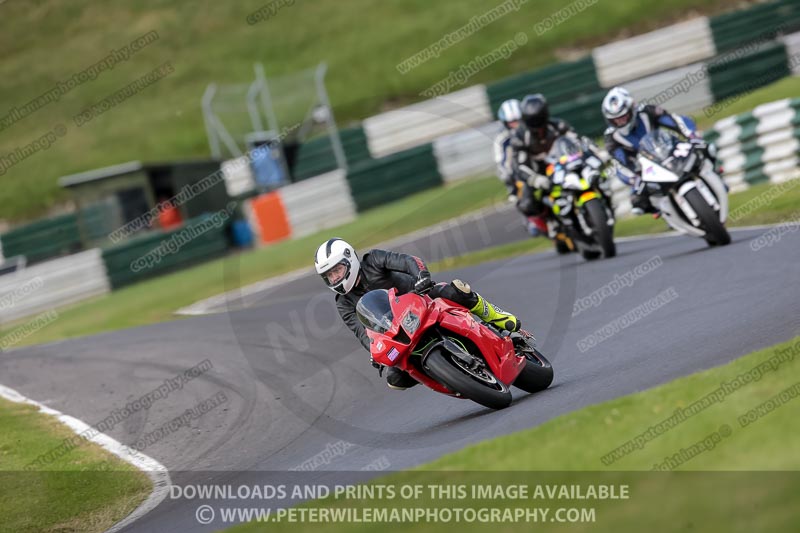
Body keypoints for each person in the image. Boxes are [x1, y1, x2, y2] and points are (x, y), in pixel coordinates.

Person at [315, 238, 523, 390]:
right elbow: (362, 332)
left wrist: (421, 276)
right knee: (395, 379)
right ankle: (448, 375)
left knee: (456, 290)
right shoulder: (343, 303)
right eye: (329, 276)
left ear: (350, 260)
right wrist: (374, 352)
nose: (335, 278)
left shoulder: (373, 260)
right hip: (398, 333)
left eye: (337, 270)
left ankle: (495, 316)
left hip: (422, 298)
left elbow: (407, 261)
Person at [601, 86, 715, 215]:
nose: (620, 122)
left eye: (623, 116)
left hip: (668, 150)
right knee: (637, 203)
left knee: (706, 150)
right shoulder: (611, 137)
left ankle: (714, 177)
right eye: (616, 120)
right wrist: (635, 178)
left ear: (631, 109)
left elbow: (675, 121)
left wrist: (692, 136)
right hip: (644, 167)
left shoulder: (647, 111)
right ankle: (665, 210)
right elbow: (619, 162)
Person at [509, 93, 578, 238]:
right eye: (533, 120)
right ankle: (548, 223)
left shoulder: (558, 126)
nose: (538, 126)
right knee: (526, 204)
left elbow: (577, 142)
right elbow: (518, 165)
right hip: (536, 173)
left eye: (539, 119)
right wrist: (535, 179)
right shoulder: (521, 136)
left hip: (562, 166)